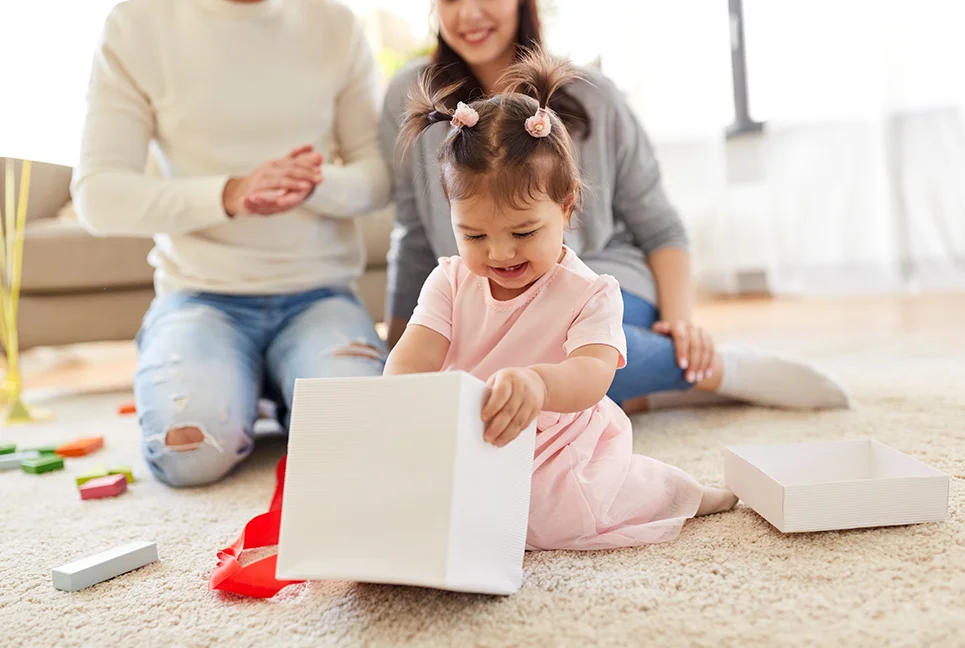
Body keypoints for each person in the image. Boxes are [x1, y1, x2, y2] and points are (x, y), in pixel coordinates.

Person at [380, 0, 850, 413]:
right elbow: (413, 232)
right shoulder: (412, 94)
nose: (468, 14)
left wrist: (680, 325)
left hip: (608, 281)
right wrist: (399, 340)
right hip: (487, 296)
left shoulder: (593, 94)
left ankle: (712, 368)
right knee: (464, 375)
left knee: (552, 363)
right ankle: (646, 391)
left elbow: (660, 226)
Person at [385, 49, 738, 550]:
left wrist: (538, 384)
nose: (501, 252)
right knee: (426, 507)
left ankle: (683, 492)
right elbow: (414, 354)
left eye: (524, 231)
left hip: (554, 442)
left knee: (567, 513)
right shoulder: (449, 280)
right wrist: (398, 402)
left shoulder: (590, 292)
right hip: (468, 435)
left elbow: (592, 376)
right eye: (475, 236)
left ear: (566, 206)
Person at [72, 0, 391, 487]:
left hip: (319, 297)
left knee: (363, 440)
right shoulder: (137, 24)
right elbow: (97, 194)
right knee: (190, 456)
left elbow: (378, 177)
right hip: (200, 299)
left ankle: (272, 389)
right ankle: (251, 386)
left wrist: (308, 183)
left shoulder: (334, 23)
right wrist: (229, 193)